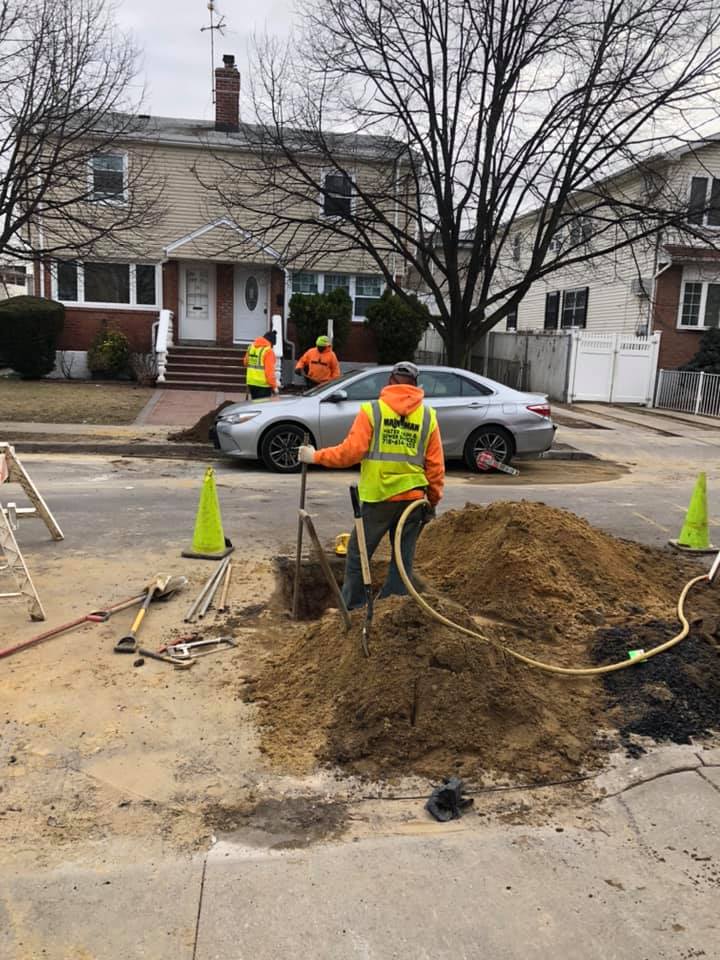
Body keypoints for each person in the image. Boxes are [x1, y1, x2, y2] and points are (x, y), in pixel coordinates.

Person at [298, 361, 444, 609]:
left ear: (390, 381)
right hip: (414, 499)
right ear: (416, 385)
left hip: (379, 498)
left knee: (358, 555)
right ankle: (392, 608)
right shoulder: (427, 416)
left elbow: (350, 453)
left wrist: (315, 457)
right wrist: (433, 499)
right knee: (402, 560)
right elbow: (436, 466)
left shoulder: (373, 411)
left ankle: (354, 608)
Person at [244, 330, 279, 400]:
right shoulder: (268, 351)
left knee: (255, 404)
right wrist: (274, 387)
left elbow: (245, 363)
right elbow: (269, 372)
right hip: (263, 385)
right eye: (273, 345)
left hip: (251, 382)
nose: (272, 347)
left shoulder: (251, 347)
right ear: (271, 342)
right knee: (262, 407)